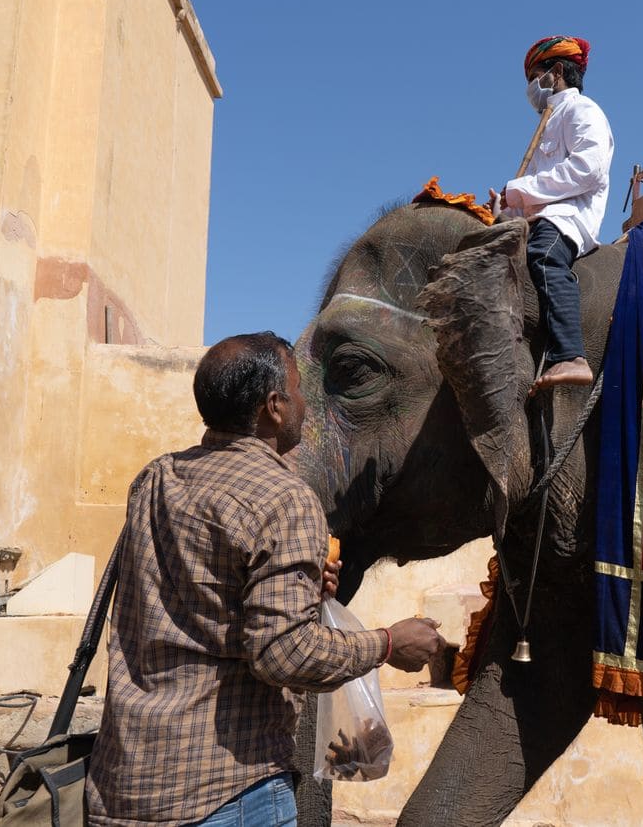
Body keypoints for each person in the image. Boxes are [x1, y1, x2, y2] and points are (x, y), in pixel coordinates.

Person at [85, 332, 445, 826]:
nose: (304, 404)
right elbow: (284, 653)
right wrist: (387, 644)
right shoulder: (285, 499)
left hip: (125, 782)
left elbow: (192, 592)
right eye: (299, 390)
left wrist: (297, 590)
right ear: (274, 407)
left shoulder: (155, 477)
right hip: (224, 793)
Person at [490, 35, 613, 394]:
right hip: (538, 217)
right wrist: (506, 205)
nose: (530, 87)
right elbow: (536, 186)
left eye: (533, 76)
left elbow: (588, 169)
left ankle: (571, 355)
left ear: (556, 71)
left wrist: (520, 190)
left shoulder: (583, 111)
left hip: (566, 219)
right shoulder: (548, 120)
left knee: (544, 258)